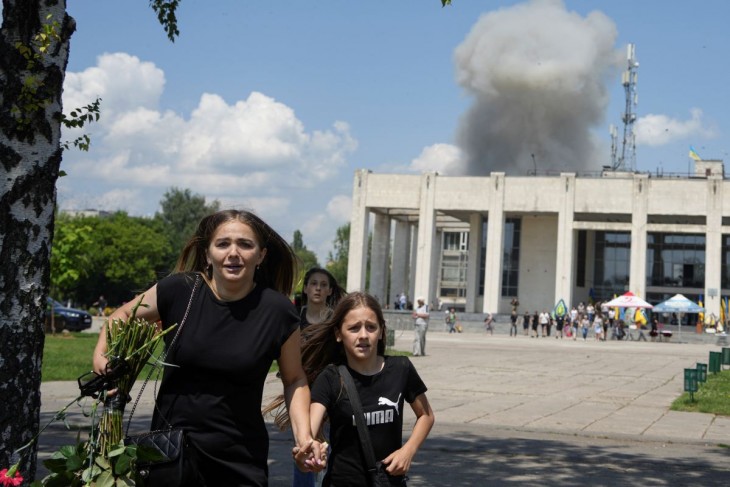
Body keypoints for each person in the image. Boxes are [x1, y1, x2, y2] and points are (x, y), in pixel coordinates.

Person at [92, 209, 322, 485]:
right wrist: (101, 355)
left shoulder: (277, 311)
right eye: (223, 243)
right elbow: (123, 316)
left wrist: (304, 437)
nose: (233, 252)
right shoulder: (179, 290)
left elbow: (294, 379)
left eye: (245, 244)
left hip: (240, 457)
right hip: (171, 453)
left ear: (261, 255)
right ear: (207, 254)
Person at [300, 292, 435, 486]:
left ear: (381, 331)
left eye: (371, 327)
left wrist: (408, 451)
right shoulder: (330, 378)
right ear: (339, 334)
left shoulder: (401, 368)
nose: (363, 335)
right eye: (354, 328)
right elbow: (311, 431)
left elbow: (426, 416)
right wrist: (310, 450)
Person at [293, 267, 344, 487]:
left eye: (323, 285)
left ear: (330, 290)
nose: (318, 288)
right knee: (304, 443)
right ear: (305, 288)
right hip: (300, 389)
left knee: (326, 443)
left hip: (329, 390)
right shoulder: (294, 317)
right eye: (314, 283)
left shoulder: (335, 321)